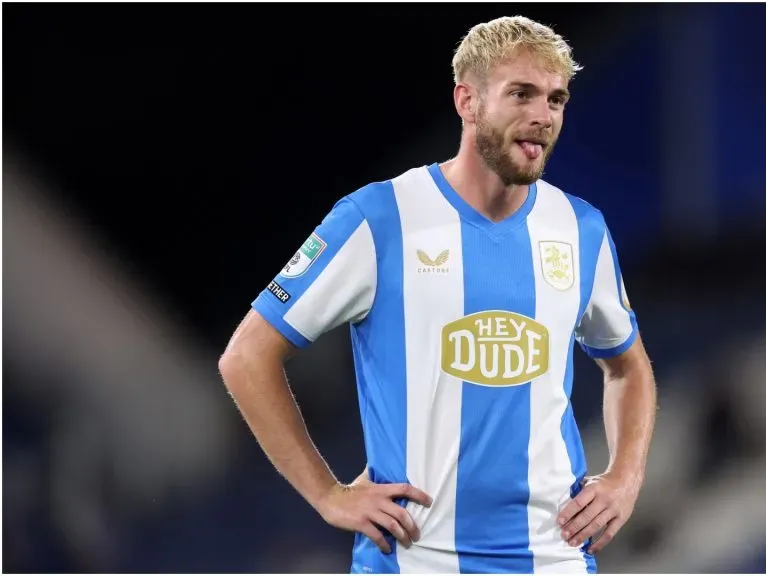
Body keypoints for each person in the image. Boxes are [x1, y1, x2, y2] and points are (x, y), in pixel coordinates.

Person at [218, 15, 657, 574]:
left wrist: (625, 476)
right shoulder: (378, 218)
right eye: (520, 93)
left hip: (553, 558)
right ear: (466, 102)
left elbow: (628, 367)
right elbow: (246, 357)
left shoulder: (580, 228)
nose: (542, 116)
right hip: (413, 559)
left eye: (556, 98)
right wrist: (327, 494)